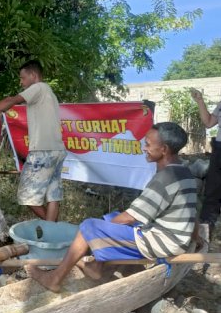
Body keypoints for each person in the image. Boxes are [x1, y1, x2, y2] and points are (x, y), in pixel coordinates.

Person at [26, 122, 197, 292]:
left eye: (148, 144)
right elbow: (192, 212)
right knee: (110, 219)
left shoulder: (164, 178)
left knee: (89, 226)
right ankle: (97, 268)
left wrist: (100, 231)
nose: (144, 148)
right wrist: (194, 238)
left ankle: (55, 279)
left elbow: (131, 217)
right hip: (175, 239)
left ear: (164, 149)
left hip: (162, 242)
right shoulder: (184, 171)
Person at [0, 60, 66, 222]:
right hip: (57, 150)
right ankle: (52, 234)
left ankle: (52, 227)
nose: (21, 82)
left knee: (26, 196)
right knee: (53, 195)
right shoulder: (49, 93)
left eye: (22, 78)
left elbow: (11, 101)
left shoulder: (39, 87)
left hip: (42, 151)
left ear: (33, 75)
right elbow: (11, 99)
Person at [190, 88, 220, 237]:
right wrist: (200, 101)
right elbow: (208, 123)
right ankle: (203, 242)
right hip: (219, 151)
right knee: (212, 195)